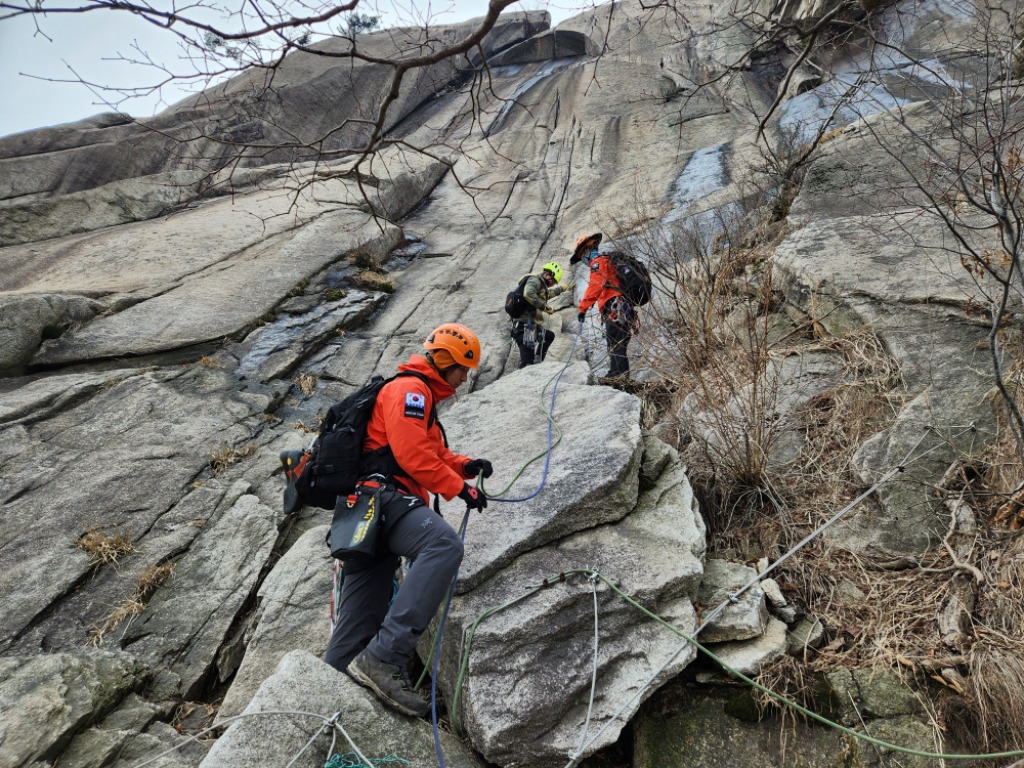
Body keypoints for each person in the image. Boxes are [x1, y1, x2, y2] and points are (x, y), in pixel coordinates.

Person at [325, 322, 494, 717]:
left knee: (356, 624)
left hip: (363, 515)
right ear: (447, 362)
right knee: (442, 545)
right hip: (387, 502)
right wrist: (460, 489)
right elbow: (411, 457)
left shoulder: (414, 395)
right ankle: (385, 658)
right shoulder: (410, 391)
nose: (464, 378)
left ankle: (327, 703)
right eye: (463, 370)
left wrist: (465, 466)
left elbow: (428, 450)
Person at [571, 233, 638, 380]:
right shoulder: (606, 261)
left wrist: (583, 308)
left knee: (615, 339)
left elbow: (596, 285)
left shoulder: (598, 262)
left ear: (588, 250)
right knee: (617, 341)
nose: (582, 258)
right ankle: (619, 373)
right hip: (622, 307)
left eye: (583, 254)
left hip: (615, 306)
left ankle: (617, 374)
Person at [509, 261, 573, 368]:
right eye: (552, 282)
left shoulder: (540, 285)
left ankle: (538, 361)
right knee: (527, 362)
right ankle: (528, 375)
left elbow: (547, 295)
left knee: (549, 336)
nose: (552, 284)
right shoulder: (535, 280)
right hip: (524, 329)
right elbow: (528, 293)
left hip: (529, 327)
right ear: (547, 275)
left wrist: (562, 288)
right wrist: (545, 307)